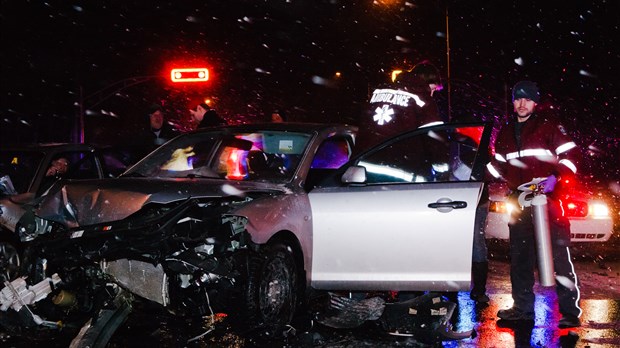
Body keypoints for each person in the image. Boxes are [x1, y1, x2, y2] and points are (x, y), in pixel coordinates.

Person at [486, 80, 582, 328]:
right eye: (518, 99)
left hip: (548, 201)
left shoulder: (549, 126)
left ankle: (570, 312)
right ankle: (523, 308)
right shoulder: (506, 132)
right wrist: (477, 169)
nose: (521, 103)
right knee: (520, 258)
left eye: (527, 99)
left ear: (535, 103)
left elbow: (571, 157)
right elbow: (497, 166)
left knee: (559, 257)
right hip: (518, 201)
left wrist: (555, 178)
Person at [356, 60, 444, 153]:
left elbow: (364, 123)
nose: (432, 93)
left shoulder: (379, 90)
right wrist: (441, 163)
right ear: (428, 81)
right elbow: (434, 135)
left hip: (363, 156)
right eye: (433, 89)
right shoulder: (423, 99)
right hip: (397, 161)